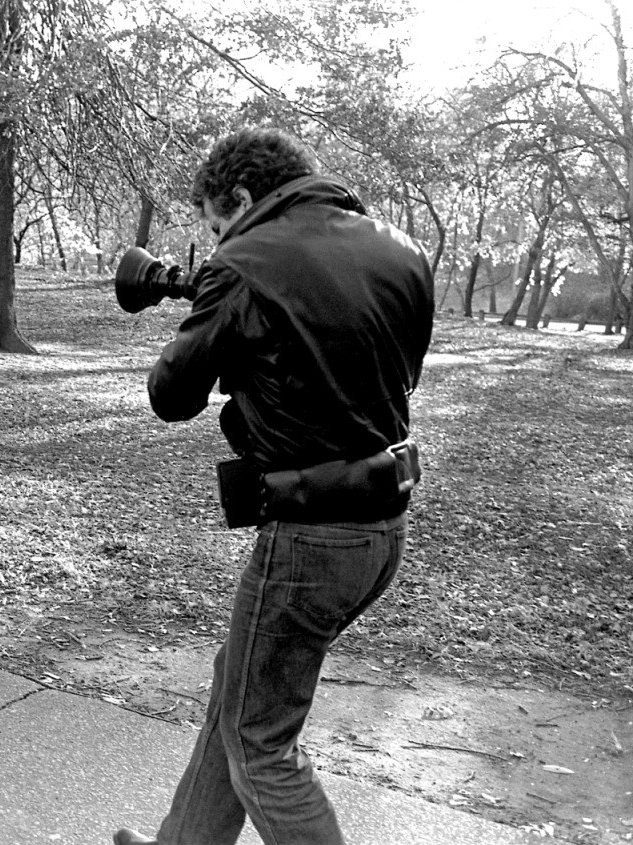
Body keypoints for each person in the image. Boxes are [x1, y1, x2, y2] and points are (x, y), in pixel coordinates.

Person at [113, 127, 434, 845]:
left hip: (308, 541)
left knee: (261, 745)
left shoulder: (243, 265)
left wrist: (216, 295)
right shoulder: (401, 249)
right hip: (381, 528)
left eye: (216, 226)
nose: (218, 243)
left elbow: (171, 395)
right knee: (238, 699)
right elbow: (390, 370)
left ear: (242, 198)